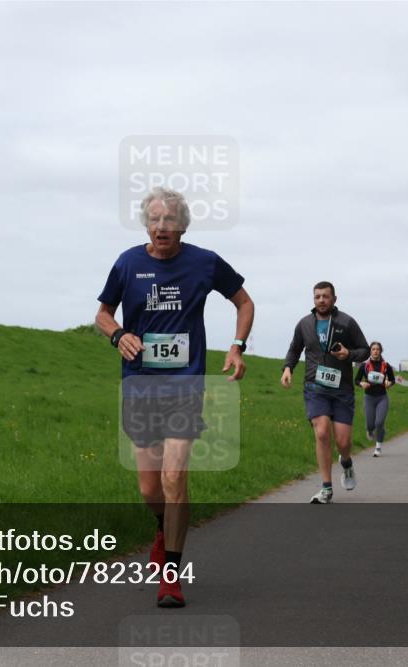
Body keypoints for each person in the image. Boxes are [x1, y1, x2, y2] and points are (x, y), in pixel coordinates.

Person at [96, 187, 254, 608]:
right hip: (140, 384)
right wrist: (118, 335)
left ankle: (171, 574)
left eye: (169, 220)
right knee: (150, 487)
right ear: (145, 223)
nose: (161, 227)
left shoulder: (204, 262)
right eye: (153, 219)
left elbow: (243, 301)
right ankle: (163, 529)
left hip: (185, 384)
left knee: (173, 477)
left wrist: (237, 345)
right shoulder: (128, 262)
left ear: (182, 225)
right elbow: (102, 313)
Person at [281, 282, 370, 503]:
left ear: (334, 299)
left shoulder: (347, 322)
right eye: (317, 297)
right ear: (313, 299)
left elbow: (365, 351)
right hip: (315, 387)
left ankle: (346, 462)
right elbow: (294, 348)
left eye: (325, 296)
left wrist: (349, 354)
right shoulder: (304, 324)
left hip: (342, 389)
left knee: (343, 442)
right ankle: (326, 488)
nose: (321, 300)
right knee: (321, 433)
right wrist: (287, 368)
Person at [355, 341, 396, 457]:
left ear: (381, 351)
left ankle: (378, 447)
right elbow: (356, 380)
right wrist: (362, 384)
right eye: (373, 349)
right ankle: (370, 430)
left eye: (378, 349)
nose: (375, 351)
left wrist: (389, 383)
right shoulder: (364, 366)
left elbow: (393, 380)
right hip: (369, 397)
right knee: (370, 424)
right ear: (370, 351)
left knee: (379, 423)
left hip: (382, 397)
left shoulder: (386, 365)